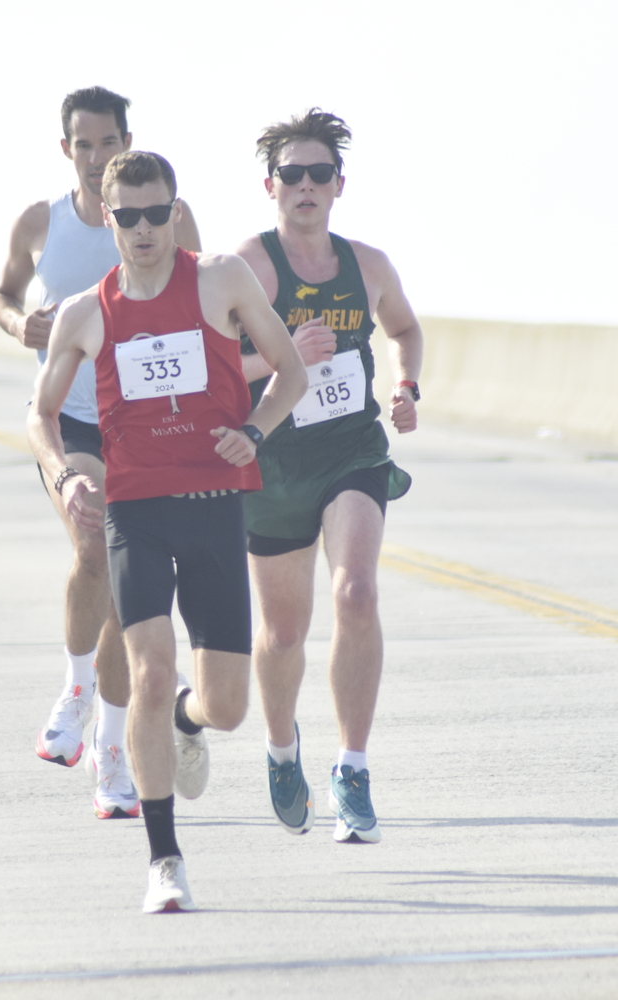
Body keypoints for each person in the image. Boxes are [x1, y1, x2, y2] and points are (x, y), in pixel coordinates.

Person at [29, 151, 306, 912]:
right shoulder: (88, 312)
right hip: (137, 509)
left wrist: (254, 429)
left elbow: (289, 370)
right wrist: (65, 473)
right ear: (109, 217)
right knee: (147, 670)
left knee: (226, 707)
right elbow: (40, 412)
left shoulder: (221, 280)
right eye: (129, 216)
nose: (145, 229)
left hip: (215, 502)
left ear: (175, 211)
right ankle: (164, 861)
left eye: (158, 214)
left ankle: (188, 721)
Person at [0, 87, 202, 820]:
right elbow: (3, 293)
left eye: (107, 142)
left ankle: (111, 752)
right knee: (94, 548)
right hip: (73, 425)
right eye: (82, 144)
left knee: (126, 586)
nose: (95, 156)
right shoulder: (39, 222)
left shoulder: (163, 219)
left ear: (126, 142)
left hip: (143, 430)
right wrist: (19, 323)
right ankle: (79, 688)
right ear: (65, 150)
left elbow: (198, 305)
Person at [233, 109, 423, 844]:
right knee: (284, 632)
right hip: (274, 459)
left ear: (339, 185)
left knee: (358, 591)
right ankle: (283, 750)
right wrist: (284, 362)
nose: (305, 186)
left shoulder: (368, 265)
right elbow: (208, 365)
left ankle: (353, 766)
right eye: (292, 175)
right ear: (270, 186)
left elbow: (405, 328)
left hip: (351, 451)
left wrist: (407, 388)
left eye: (319, 174)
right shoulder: (246, 268)